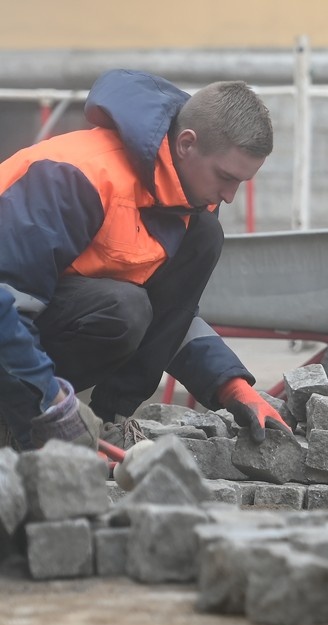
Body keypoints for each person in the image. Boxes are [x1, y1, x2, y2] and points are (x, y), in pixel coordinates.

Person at [0, 69, 292, 451]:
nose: (230, 196)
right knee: (123, 309)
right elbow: (9, 310)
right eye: (225, 177)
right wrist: (51, 408)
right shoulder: (71, 179)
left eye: (241, 182)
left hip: (32, 327)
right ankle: (18, 430)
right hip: (10, 325)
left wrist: (231, 385)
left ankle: (109, 423)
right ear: (186, 143)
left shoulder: (192, 205)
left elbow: (172, 316)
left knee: (182, 258)